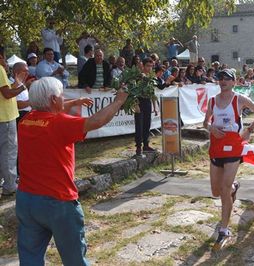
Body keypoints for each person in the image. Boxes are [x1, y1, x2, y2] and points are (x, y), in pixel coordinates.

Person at [16, 77, 128, 265]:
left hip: (27, 200)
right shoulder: (59, 123)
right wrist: (118, 101)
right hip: (58, 202)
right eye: (61, 95)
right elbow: (96, 121)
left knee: (30, 257)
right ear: (53, 99)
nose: (63, 98)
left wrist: (75, 102)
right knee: (75, 259)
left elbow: (50, 111)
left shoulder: (25, 121)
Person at [203, 68, 254, 251]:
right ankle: (234, 187)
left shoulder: (239, 99)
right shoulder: (212, 101)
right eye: (220, 78)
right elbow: (205, 122)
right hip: (216, 147)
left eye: (226, 79)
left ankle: (224, 229)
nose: (222, 81)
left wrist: (249, 130)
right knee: (216, 191)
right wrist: (210, 128)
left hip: (233, 148)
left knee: (223, 189)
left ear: (234, 82)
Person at [0, 50, 29, 197]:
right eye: (4, 58)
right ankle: (10, 186)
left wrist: (17, 84)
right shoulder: (0, 69)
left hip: (5, 117)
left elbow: (5, 90)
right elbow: (7, 94)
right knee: (9, 153)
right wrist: (23, 87)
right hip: (5, 117)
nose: (5, 62)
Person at [134, 58, 157, 155]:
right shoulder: (137, 77)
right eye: (147, 66)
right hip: (139, 102)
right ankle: (138, 147)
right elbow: (132, 92)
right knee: (139, 125)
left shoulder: (151, 78)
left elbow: (152, 93)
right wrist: (135, 105)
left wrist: (155, 107)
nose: (149, 68)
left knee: (147, 124)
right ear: (143, 66)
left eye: (151, 66)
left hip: (147, 102)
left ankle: (146, 145)